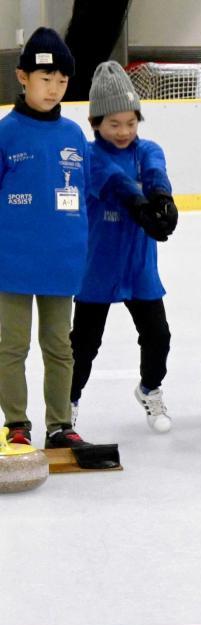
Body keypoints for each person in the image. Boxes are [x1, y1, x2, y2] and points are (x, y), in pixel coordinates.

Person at [70, 61, 178, 433]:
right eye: (114, 124)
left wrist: (162, 198)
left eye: (131, 123)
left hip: (139, 267)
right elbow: (113, 182)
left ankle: (150, 388)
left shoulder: (146, 149)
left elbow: (154, 169)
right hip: (97, 267)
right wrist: (139, 204)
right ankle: (66, 404)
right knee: (83, 345)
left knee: (158, 337)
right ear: (95, 123)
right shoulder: (87, 154)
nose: (123, 131)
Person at [0, 28, 90, 448]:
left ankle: (59, 424)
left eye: (62, 80)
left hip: (61, 262)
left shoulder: (74, 136)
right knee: (11, 346)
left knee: (60, 347)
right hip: (12, 263)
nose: (53, 88)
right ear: (23, 77)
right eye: (45, 78)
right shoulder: (6, 133)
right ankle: (16, 424)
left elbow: (84, 198)